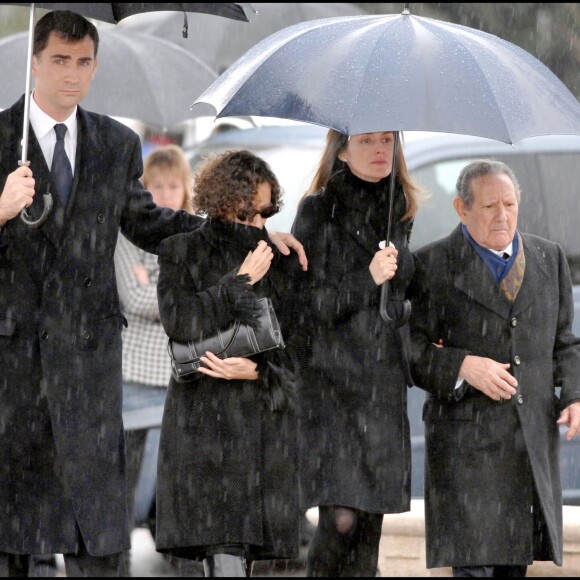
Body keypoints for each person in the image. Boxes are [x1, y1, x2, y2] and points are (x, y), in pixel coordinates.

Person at [0, 10, 305, 578]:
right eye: (59, 60)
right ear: (34, 63)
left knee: (98, 530)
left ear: (95, 67)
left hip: (89, 364)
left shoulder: (115, 143)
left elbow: (150, 222)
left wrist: (247, 230)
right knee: (19, 530)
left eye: (83, 62)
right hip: (16, 367)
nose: (71, 73)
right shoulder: (0, 138)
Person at [407, 159, 580, 577]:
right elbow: (408, 351)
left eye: (509, 204)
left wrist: (574, 394)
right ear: (461, 209)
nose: (502, 215)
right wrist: (462, 365)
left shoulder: (548, 257)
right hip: (465, 448)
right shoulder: (430, 266)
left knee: (512, 567)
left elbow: (565, 342)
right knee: (472, 567)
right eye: (488, 207)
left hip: (527, 445)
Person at [154, 149, 309, 577]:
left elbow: (300, 345)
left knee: (239, 555)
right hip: (202, 429)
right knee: (223, 553)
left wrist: (259, 371)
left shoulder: (279, 257)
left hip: (260, 430)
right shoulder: (180, 251)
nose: (260, 223)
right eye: (250, 212)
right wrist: (236, 284)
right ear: (223, 203)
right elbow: (180, 322)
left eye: (267, 211)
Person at [290, 129, 425, 576]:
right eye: (367, 141)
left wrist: (401, 286)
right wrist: (367, 278)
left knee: (369, 526)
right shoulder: (318, 209)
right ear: (343, 151)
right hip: (333, 390)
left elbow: (402, 302)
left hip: (380, 388)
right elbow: (305, 306)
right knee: (341, 521)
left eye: (387, 139)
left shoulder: (399, 207)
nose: (380, 149)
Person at [114, 144, 203, 576]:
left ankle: (176, 559)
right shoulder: (128, 237)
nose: (166, 194)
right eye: (156, 186)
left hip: (178, 376)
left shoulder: (194, 240)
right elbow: (134, 298)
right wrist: (177, 303)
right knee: (125, 488)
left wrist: (169, 301)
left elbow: (194, 307)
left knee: (173, 483)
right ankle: (120, 563)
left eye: (174, 185)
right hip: (132, 379)